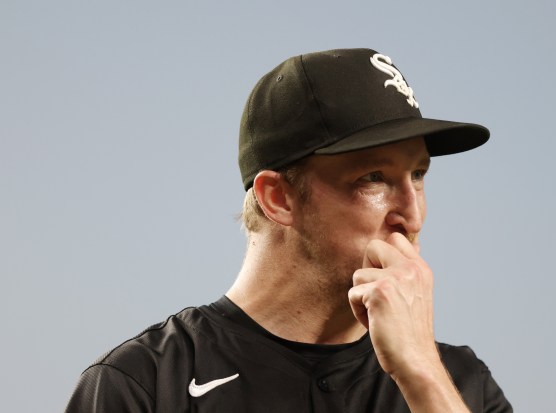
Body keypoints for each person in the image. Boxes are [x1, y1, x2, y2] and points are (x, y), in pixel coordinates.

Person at [65, 48, 512, 412]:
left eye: (418, 174)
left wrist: (421, 373)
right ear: (278, 198)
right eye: (373, 177)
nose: (412, 216)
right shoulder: (146, 384)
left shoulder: (458, 383)